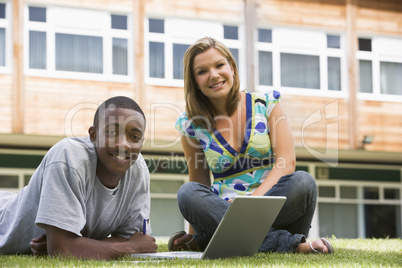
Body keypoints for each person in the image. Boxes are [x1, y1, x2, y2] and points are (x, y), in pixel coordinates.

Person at [169, 37, 333, 254]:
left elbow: (286, 163)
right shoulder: (190, 124)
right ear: (194, 80)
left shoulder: (267, 103)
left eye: (219, 65)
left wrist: (249, 206)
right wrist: (192, 235)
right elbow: (199, 180)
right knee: (187, 192)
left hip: (273, 206)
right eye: (202, 71)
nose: (214, 75)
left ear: (232, 68)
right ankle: (292, 245)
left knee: (303, 182)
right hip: (222, 211)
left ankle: (211, 239)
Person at [0, 96, 158, 259]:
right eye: (111, 132)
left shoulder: (138, 168)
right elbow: (61, 249)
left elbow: (135, 238)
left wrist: (77, 244)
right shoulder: (69, 156)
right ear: (93, 135)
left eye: (135, 137)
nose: (123, 144)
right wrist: (128, 249)